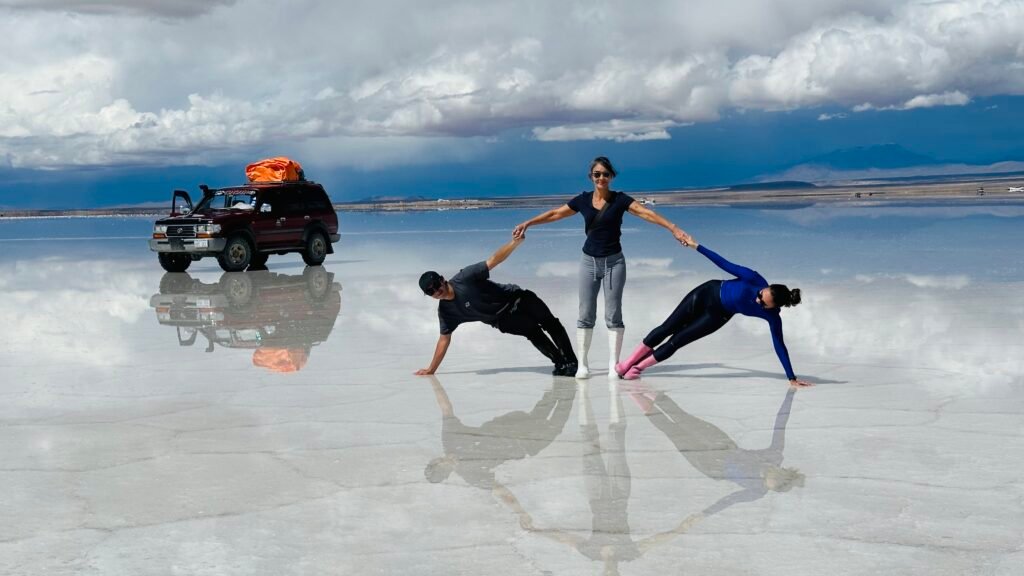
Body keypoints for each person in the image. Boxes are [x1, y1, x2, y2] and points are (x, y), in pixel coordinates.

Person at [512, 156, 689, 380]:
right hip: (588, 262)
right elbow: (556, 213)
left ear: (611, 176)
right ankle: (583, 365)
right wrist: (528, 223)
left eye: (605, 174)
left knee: (613, 314)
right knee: (586, 313)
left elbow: (646, 213)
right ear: (591, 177)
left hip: (614, 262)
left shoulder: (620, 200)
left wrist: (673, 228)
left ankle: (614, 364)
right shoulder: (583, 200)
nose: (601, 178)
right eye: (597, 174)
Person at [614, 234, 812, 386]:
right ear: (765, 287)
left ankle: (637, 368)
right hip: (707, 293)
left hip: (718, 315)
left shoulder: (773, 317)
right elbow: (723, 263)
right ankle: (627, 362)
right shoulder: (754, 278)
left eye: (762, 303)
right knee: (667, 327)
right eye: (761, 294)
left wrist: (791, 377)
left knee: (678, 340)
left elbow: (779, 345)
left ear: (773, 307)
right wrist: (696, 246)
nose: (757, 299)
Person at [415, 236, 577, 376]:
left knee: (550, 323)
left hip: (517, 297)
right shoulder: (446, 312)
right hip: (502, 319)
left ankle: (572, 362)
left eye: (436, 285)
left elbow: (494, 260)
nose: (437, 291)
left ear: (442, 279)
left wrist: (514, 242)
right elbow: (444, 339)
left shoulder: (464, 277)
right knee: (534, 333)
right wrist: (431, 369)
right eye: (431, 292)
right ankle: (560, 363)